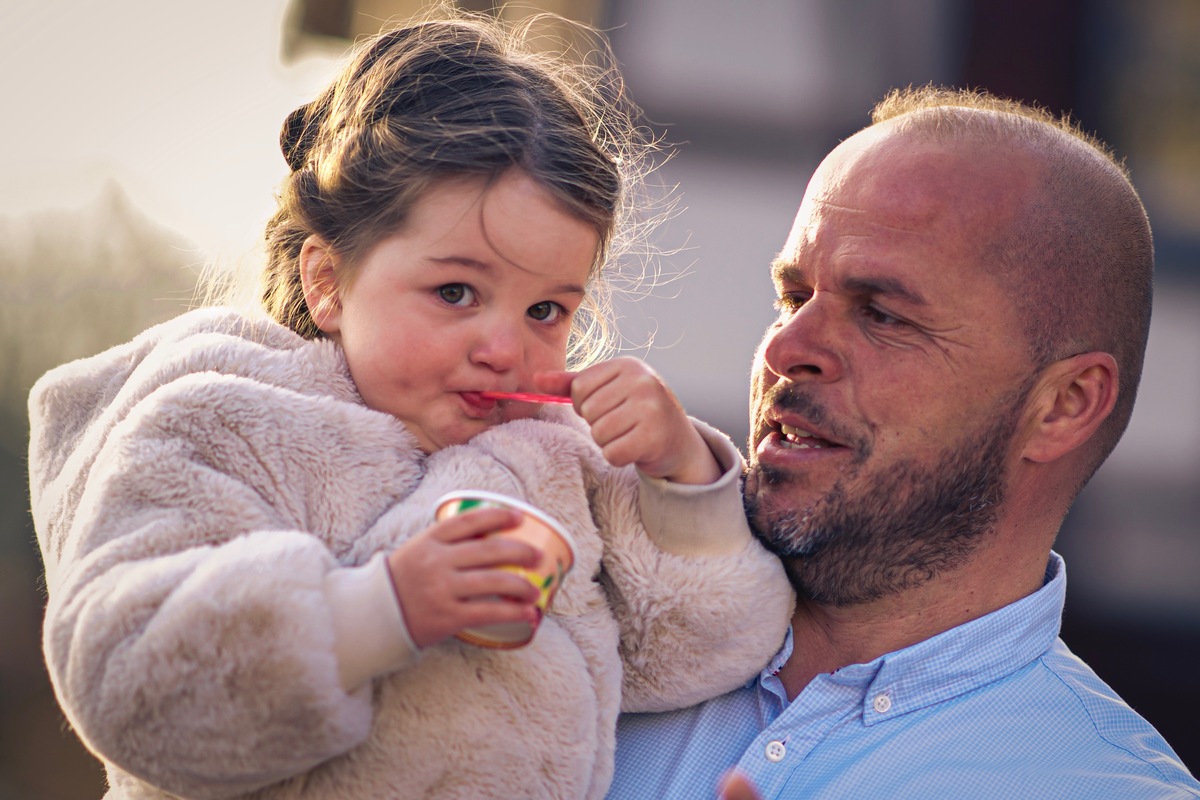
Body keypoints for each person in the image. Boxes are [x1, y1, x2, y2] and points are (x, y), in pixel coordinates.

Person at [26, 11, 793, 800]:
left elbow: (700, 649)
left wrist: (681, 479)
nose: (505, 346)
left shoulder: (558, 453)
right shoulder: (219, 422)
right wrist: (377, 609)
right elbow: (129, 680)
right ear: (328, 282)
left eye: (546, 312)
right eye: (455, 292)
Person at [608, 86, 1200, 799]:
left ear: (1062, 407)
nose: (787, 348)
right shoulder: (566, 609)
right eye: (793, 298)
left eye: (882, 315)